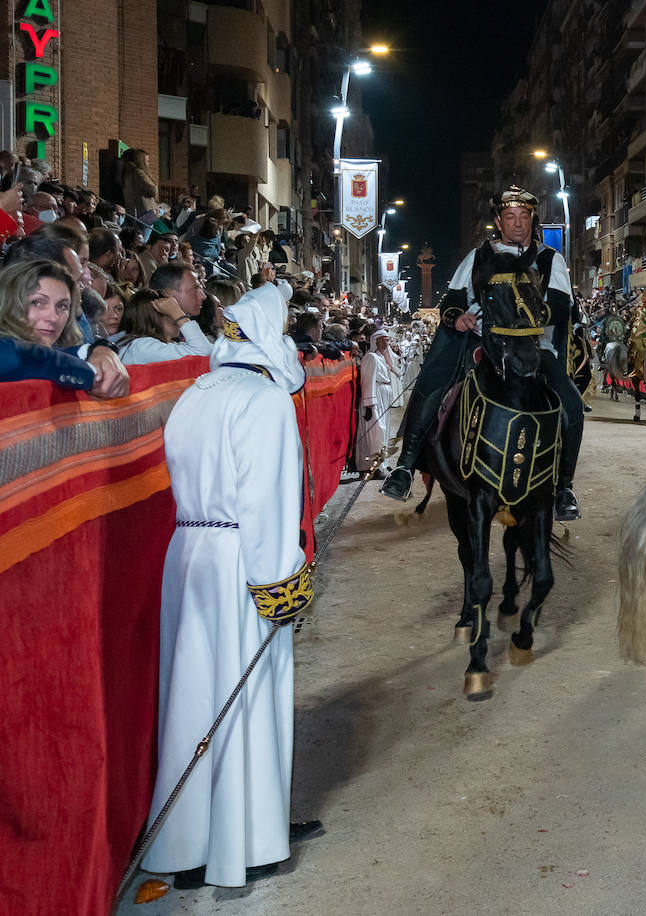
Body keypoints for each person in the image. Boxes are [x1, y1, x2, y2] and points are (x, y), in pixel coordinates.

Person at [141, 283, 319, 891]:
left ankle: (190, 842)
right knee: (244, 695)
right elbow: (266, 505)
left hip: (190, 554)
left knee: (195, 696)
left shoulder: (197, 391)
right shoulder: (263, 401)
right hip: (243, 559)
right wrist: (280, 589)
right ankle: (249, 838)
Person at [382, 185, 584, 521]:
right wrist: (457, 317)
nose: (518, 224)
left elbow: (562, 307)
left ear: (532, 220)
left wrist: (525, 320)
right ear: (498, 221)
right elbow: (453, 300)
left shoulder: (550, 260)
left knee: (571, 404)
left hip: (535, 347)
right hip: (480, 344)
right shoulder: (477, 258)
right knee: (433, 385)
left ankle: (564, 487)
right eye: (510, 217)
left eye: (524, 217)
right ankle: (404, 467)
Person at [0, 259, 129, 394]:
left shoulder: (51, 356)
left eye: (62, 306)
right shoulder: (10, 353)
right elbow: (18, 357)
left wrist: (95, 351)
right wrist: (94, 373)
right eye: (37, 302)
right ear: (8, 303)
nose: (53, 317)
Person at [117, 289, 213, 365]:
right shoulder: (141, 347)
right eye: (170, 312)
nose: (175, 318)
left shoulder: (155, 345)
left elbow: (212, 353)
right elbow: (204, 352)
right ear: (153, 318)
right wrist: (178, 315)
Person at [356, 328, 399, 473]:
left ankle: (382, 462)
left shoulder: (381, 357)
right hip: (375, 398)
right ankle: (371, 466)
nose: (387, 343)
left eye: (388, 340)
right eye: (385, 340)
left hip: (383, 396)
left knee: (384, 431)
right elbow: (367, 381)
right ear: (377, 341)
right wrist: (369, 404)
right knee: (376, 431)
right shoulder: (371, 357)